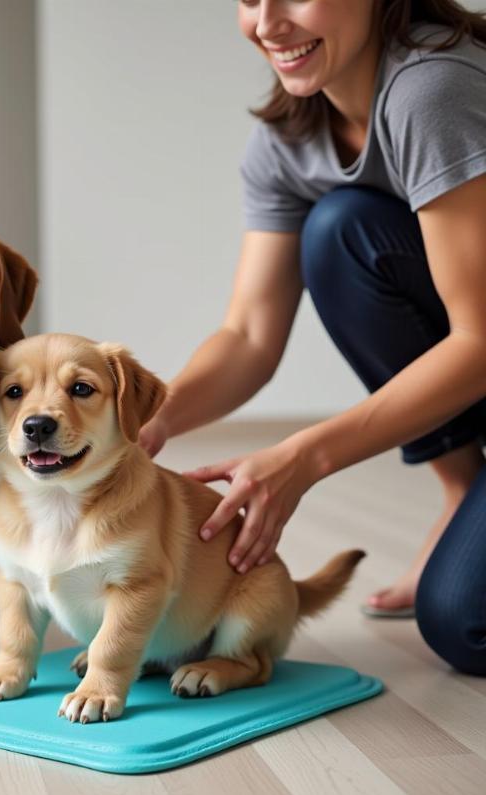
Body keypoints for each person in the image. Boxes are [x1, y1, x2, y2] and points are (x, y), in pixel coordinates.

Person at [139, 0, 486, 675]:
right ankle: (460, 492)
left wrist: (306, 457)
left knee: (464, 624)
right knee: (340, 231)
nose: (267, 23)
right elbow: (247, 336)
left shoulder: (430, 90)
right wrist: (150, 419)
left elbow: (478, 341)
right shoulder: (286, 141)